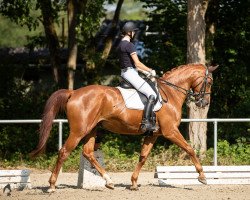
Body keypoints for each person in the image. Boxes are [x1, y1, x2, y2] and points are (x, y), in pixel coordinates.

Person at [117, 21, 161, 133]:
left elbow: (131, 64)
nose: (135, 34)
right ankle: (146, 123)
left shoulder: (120, 44)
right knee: (151, 94)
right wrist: (150, 70)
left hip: (125, 73)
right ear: (129, 32)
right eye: (134, 32)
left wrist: (145, 73)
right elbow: (137, 63)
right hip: (130, 73)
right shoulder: (129, 45)